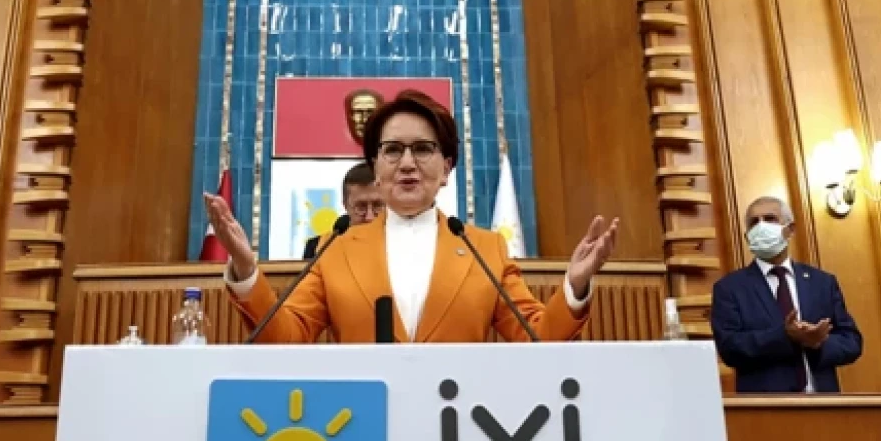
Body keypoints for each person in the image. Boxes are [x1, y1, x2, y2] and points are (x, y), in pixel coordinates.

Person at [204, 89, 618, 343]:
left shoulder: (485, 248)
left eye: (422, 149)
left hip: (455, 427)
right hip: (363, 428)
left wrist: (575, 285)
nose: (406, 163)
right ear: (376, 168)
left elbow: (538, 337)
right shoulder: (336, 248)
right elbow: (285, 338)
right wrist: (245, 269)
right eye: (392, 150)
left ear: (446, 168)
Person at [710, 197, 863, 393]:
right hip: (767, 405)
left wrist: (816, 342)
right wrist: (785, 336)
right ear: (747, 237)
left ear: (790, 229)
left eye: (770, 218)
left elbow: (851, 342)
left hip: (823, 401)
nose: (761, 226)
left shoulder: (822, 282)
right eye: (754, 222)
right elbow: (729, 348)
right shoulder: (730, 288)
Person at [302, 162, 384, 259]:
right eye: (361, 207)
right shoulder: (318, 248)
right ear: (345, 205)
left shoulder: (399, 245)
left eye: (378, 205)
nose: (369, 217)